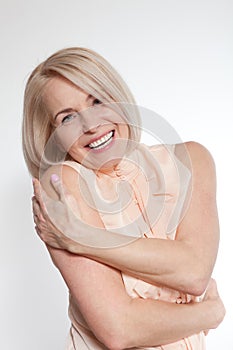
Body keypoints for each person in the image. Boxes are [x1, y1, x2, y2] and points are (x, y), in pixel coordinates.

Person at [22, 47, 225, 349]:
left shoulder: (192, 159)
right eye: (67, 119)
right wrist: (210, 312)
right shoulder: (62, 185)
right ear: (50, 135)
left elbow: (194, 272)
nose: (91, 126)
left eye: (97, 101)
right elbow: (120, 330)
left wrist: (83, 238)